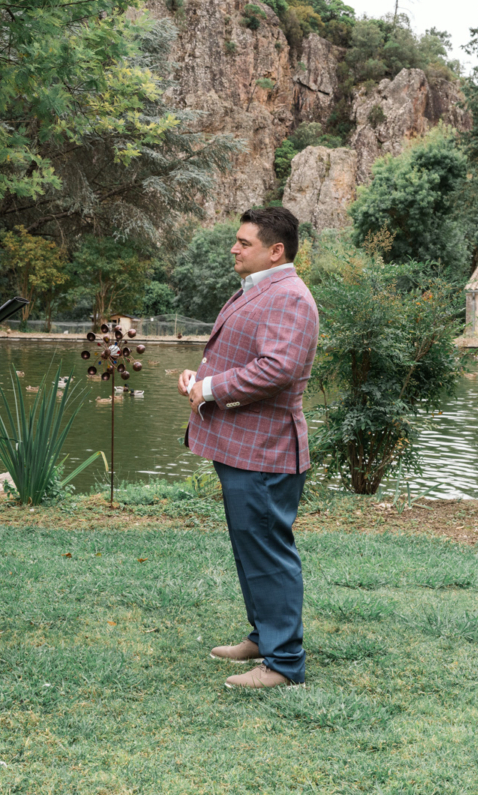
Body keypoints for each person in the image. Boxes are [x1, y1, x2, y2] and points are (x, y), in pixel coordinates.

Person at [177, 206, 319, 689]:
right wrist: (201, 379)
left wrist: (212, 389)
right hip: (243, 446)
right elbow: (242, 355)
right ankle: (264, 637)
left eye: (244, 242)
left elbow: (276, 369)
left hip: (266, 449)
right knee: (250, 548)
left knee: (268, 552)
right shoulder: (261, 290)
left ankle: (283, 664)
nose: (234, 248)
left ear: (275, 251)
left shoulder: (289, 298)